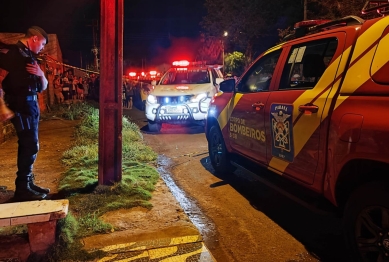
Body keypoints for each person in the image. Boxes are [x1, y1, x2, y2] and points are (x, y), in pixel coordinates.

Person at [0, 26, 50, 201]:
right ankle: (22, 189)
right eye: (42, 44)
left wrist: (41, 74)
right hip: (19, 105)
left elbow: (43, 87)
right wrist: (2, 106)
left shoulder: (29, 56)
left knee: (29, 146)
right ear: (34, 38)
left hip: (31, 105)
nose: (42, 48)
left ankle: (27, 184)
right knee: (30, 145)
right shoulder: (12, 55)